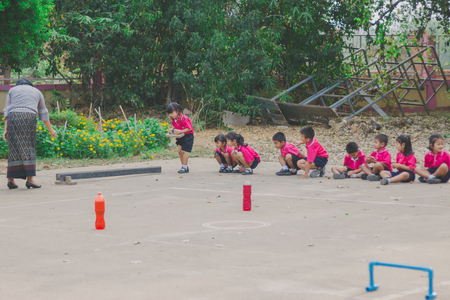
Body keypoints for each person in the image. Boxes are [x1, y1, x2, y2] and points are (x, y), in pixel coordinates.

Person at [3, 79, 57, 189]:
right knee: (29, 147)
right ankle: (30, 180)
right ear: (30, 85)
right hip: (28, 116)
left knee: (13, 148)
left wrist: (6, 129)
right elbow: (43, 112)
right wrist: (51, 130)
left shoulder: (12, 90)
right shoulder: (37, 91)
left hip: (13, 116)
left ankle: (11, 180)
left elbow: (7, 110)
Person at [167, 102, 194, 173]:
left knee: (184, 151)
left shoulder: (184, 118)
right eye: (170, 113)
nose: (171, 115)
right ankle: (184, 166)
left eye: (172, 113)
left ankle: (184, 167)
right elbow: (174, 126)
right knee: (179, 151)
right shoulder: (174, 119)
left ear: (178, 110)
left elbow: (189, 128)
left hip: (187, 136)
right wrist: (171, 130)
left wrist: (180, 131)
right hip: (180, 136)